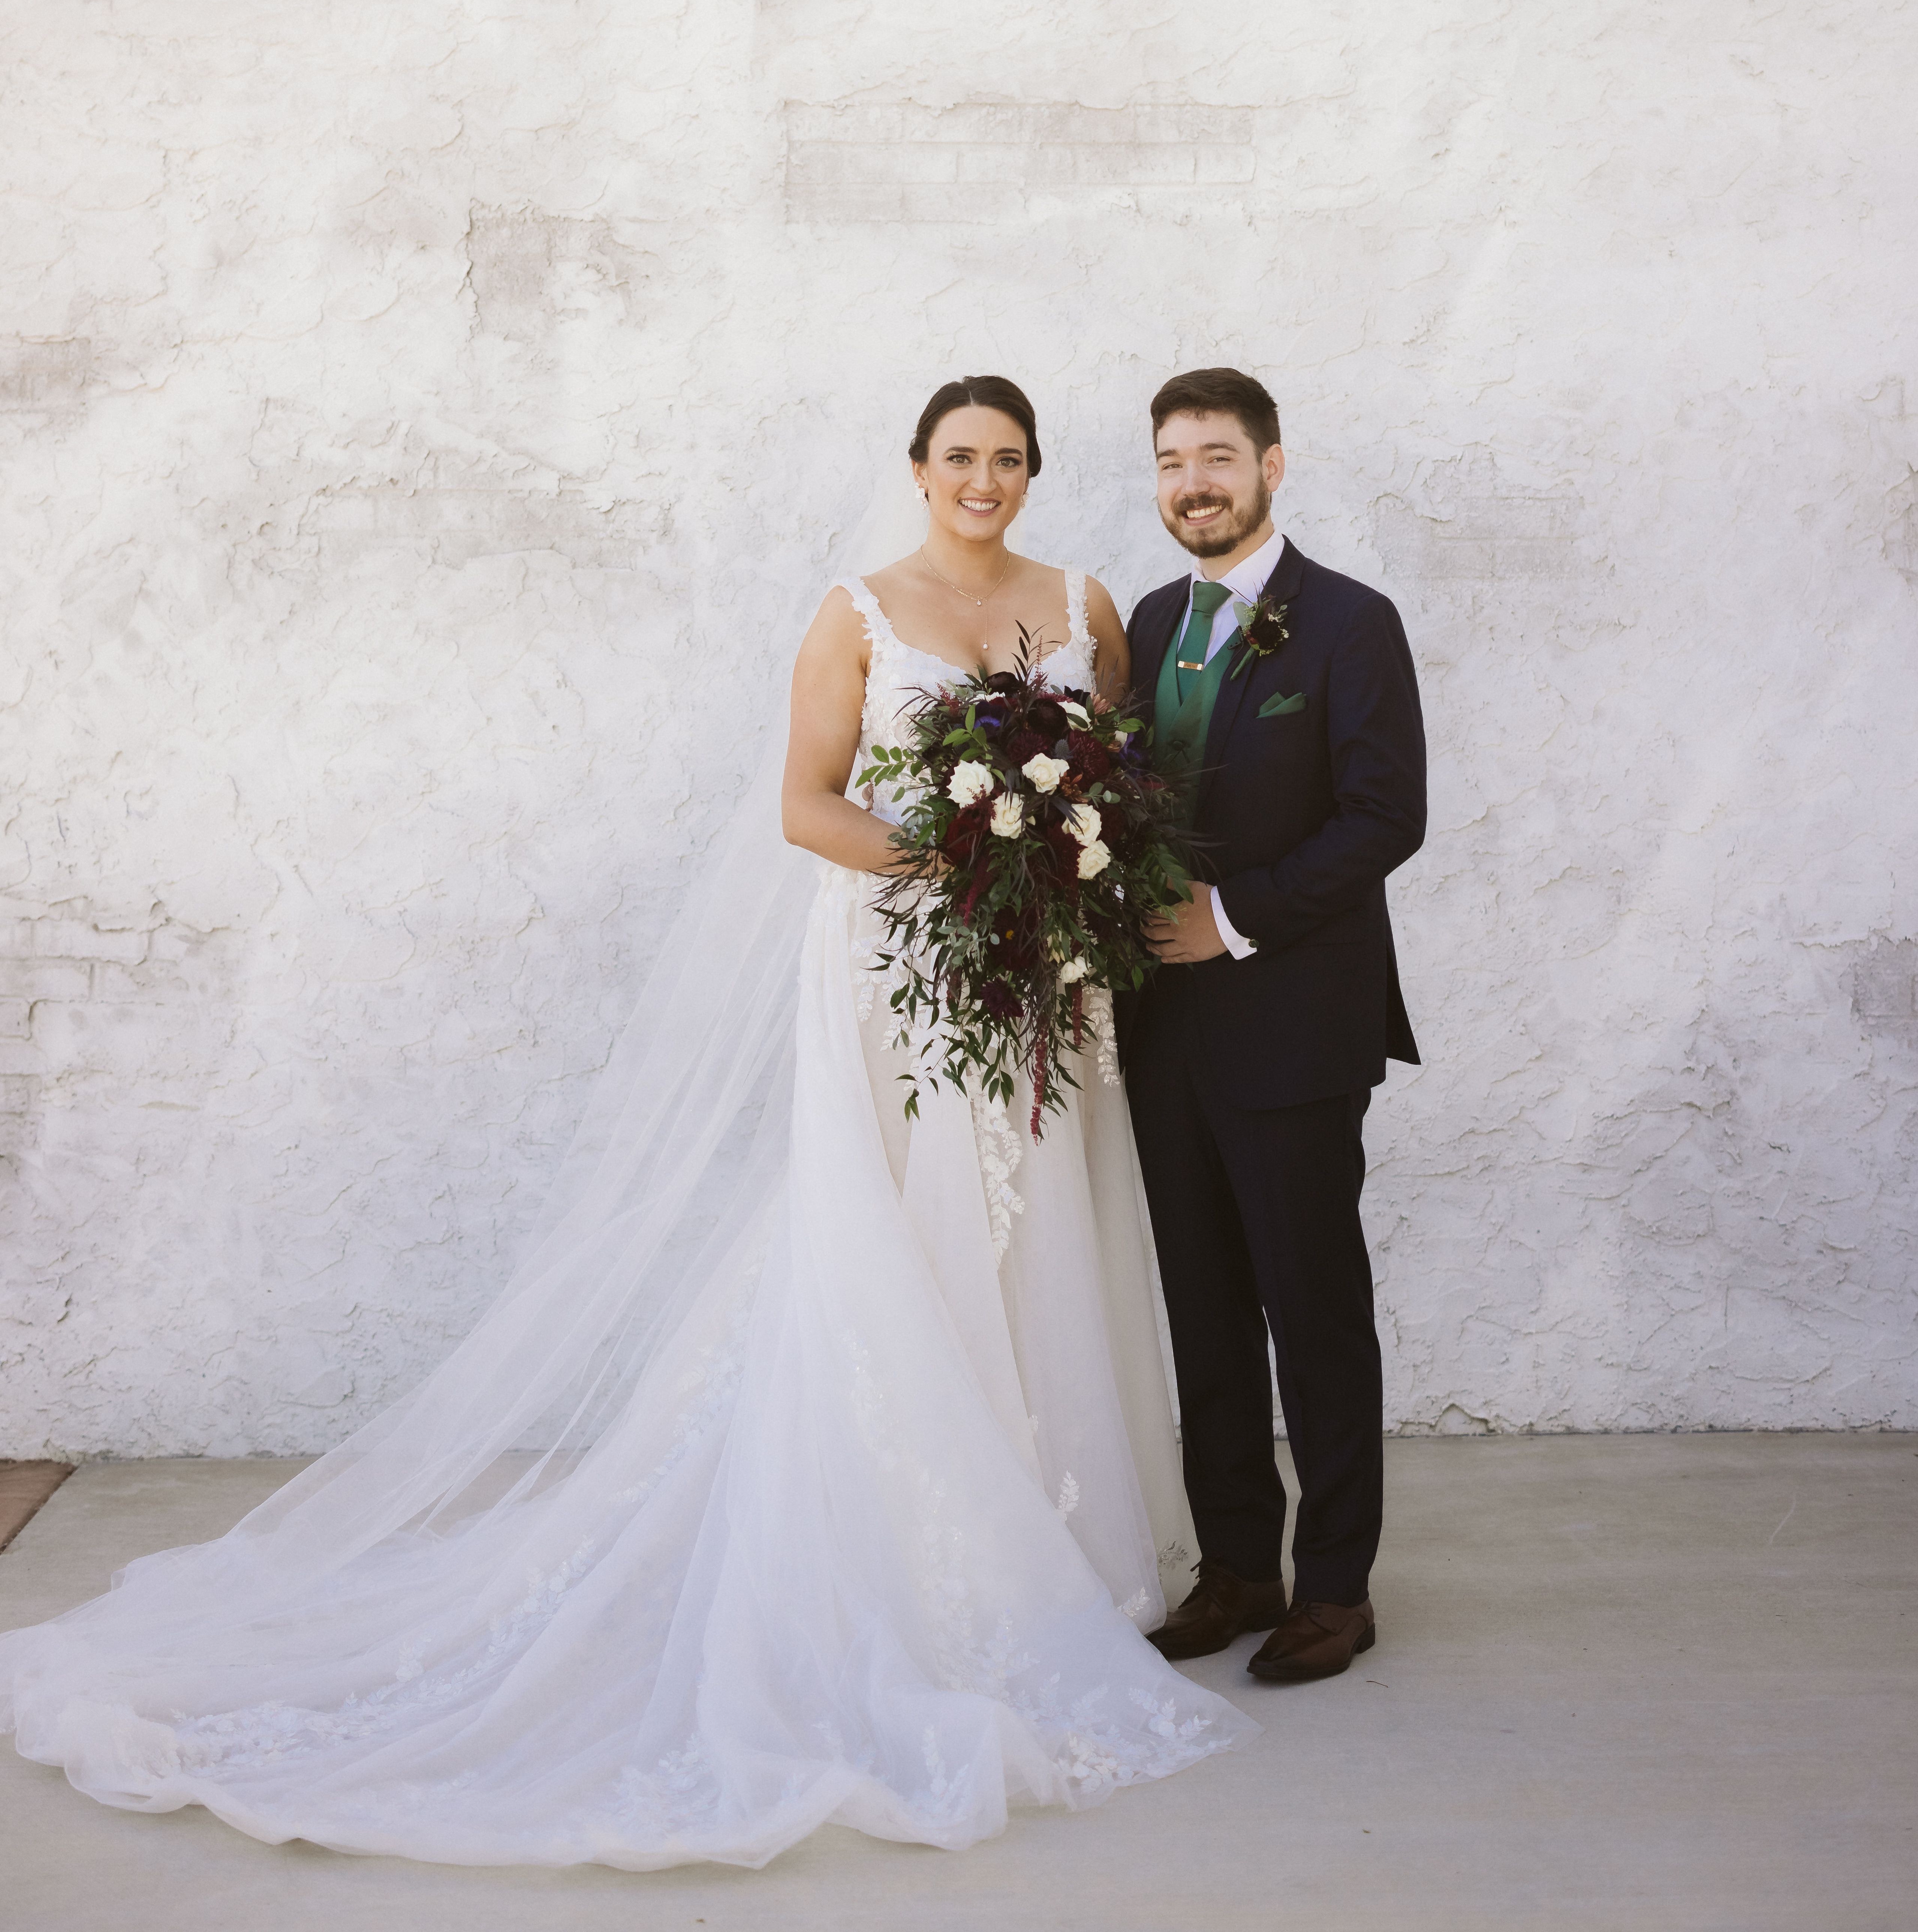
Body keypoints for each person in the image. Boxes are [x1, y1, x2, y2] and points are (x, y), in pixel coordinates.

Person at [1, 376, 1247, 1872]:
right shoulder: (858, 609)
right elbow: (806, 806)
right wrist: (965, 860)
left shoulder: (1082, 601)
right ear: (917, 469)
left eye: (1006, 460)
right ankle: (912, 1554)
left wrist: (1049, 866)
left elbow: (1104, 784)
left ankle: (1052, 1538)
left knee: (1039, 1227)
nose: (981, 480)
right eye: (957, 458)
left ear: (1034, 473)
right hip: (893, 976)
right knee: (895, 1244)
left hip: (1030, 981)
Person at [1123, 367, 1426, 1685]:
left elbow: (1384, 817)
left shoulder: (1351, 624)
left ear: (1273, 467)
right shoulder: (1143, 622)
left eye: (1218, 459)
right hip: (1162, 1032)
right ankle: (1237, 1565)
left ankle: (1338, 1587)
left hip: (1296, 1026)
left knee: (1312, 1307)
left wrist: (1232, 917)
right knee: (1200, 1307)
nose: (1195, 482)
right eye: (1173, 461)